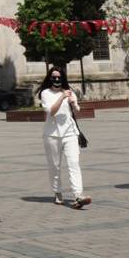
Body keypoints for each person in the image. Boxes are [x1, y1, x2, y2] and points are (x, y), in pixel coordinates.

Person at [36, 66, 91, 209]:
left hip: (70, 133)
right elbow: (51, 111)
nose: (56, 79)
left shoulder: (69, 92)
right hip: (52, 135)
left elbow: (77, 109)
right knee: (55, 166)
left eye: (59, 77)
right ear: (49, 78)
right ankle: (57, 192)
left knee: (74, 164)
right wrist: (62, 97)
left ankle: (78, 195)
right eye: (53, 77)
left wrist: (73, 102)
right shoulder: (45, 93)